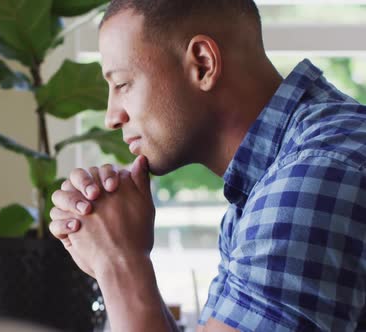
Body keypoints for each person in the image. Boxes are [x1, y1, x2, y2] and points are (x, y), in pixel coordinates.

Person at [48, 1, 366, 331]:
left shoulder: (314, 175)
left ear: (202, 64)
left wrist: (119, 264)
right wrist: (114, 255)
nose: (112, 117)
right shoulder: (264, 184)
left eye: (122, 84)